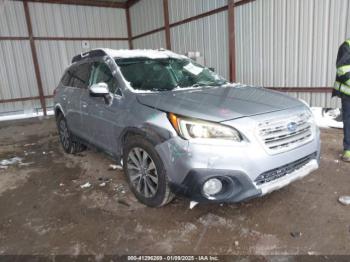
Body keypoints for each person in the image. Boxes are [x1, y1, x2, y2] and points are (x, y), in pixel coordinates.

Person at [333, 39, 350, 162]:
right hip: (348, 93)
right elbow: (342, 68)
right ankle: (348, 150)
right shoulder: (346, 46)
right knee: (349, 121)